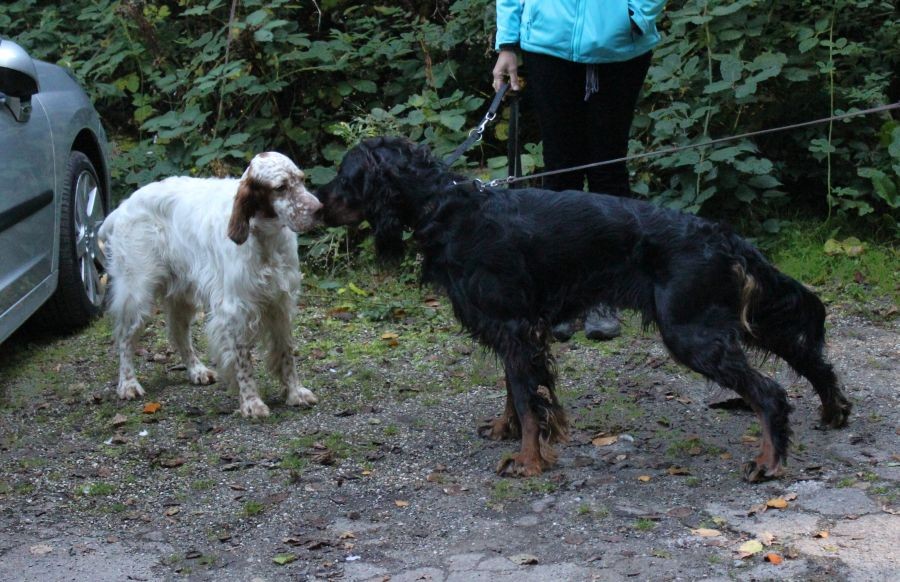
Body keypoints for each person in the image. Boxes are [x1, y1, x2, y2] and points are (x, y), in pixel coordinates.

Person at [492, 0, 665, 341]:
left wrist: (636, 16)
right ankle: (558, 296)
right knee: (560, 171)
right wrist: (508, 43)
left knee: (608, 170)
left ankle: (607, 293)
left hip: (620, 49)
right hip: (548, 45)